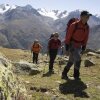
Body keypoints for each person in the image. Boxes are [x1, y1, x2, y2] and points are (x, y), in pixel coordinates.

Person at [62, 11, 92, 80]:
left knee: (71, 61)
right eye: (86, 16)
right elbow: (68, 36)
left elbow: (86, 37)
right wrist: (67, 48)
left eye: (88, 17)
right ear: (81, 17)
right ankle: (76, 75)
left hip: (79, 46)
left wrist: (84, 46)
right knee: (78, 59)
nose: (88, 18)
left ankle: (64, 73)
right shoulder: (74, 25)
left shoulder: (87, 27)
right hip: (72, 45)